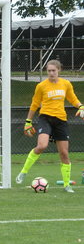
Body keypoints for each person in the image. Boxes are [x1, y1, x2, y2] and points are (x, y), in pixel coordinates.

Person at [16, 59, 84, 192]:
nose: (51, 73)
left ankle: (67, 185)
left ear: (59, 70)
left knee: (64, 153)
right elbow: (35, 104)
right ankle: (23, 171)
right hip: (45, 118)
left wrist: (81, 106)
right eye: (49, 71)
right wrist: (28, 121)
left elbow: (73, 99)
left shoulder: (66, 84)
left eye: (53, 70)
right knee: (42, 146)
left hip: (61, 120)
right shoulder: (41, 86)